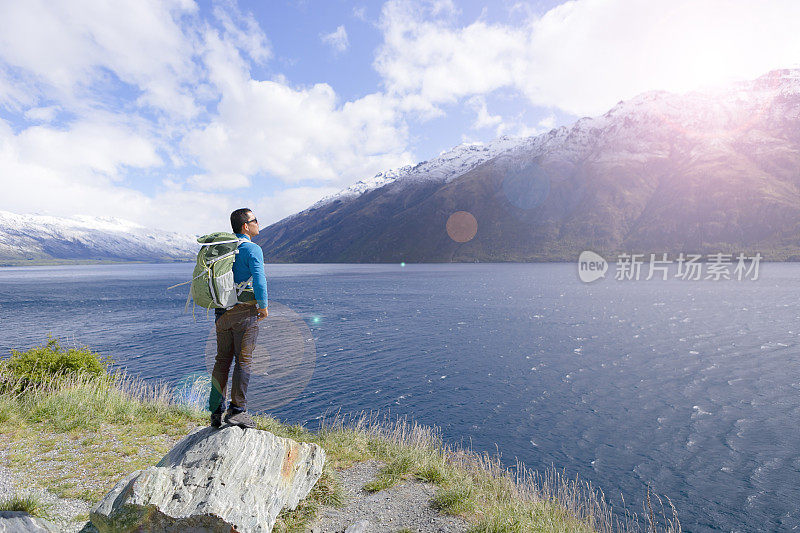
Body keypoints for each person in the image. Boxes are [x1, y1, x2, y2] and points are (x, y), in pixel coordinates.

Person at [209, 208, 268, 429]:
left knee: (222, 361)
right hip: (244, 312)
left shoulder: (224, 249)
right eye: (255, 220)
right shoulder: (252, 249)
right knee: (243, 362)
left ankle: (215, 410)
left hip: (221, 311)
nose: (258, 224)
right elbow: (260, 280)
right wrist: (263, 307)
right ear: (246, 226)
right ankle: (237, 411)